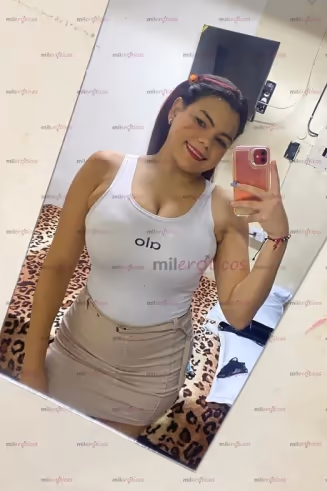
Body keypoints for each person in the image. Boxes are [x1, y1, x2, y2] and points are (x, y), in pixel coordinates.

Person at [20, 74, 289, 439]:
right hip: (76, 348)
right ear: (176, 110)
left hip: (151, 374)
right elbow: (57, 267)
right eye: (200, 122)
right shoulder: (104, 169)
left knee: (94, 465)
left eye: (220, 140)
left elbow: (238, 313)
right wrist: (32, 363)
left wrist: (277, 237)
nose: (205, 142)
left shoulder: (224, 209)